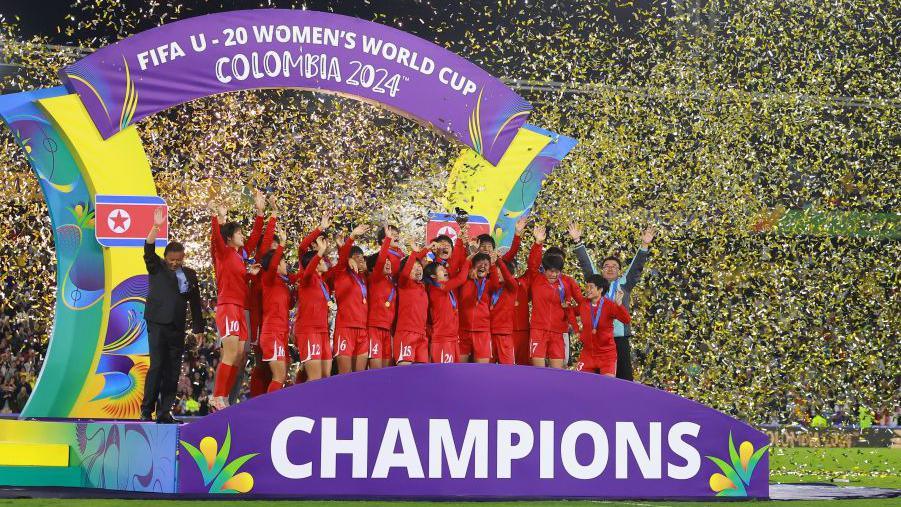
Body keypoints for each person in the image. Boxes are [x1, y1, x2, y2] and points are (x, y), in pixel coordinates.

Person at [569, 223, 656, 381]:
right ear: (601, 270)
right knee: (592, 380)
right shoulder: (596, 283)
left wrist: (644, 245)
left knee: (623, 379)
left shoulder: (624, 285)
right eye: (606, 266)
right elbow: (587, 264)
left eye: (614, 267)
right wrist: (577, 240)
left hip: (619, 339)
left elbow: (636, 268)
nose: (610, 269)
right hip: (597, 341)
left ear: (619, 271)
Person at [141, 207, 204, 423]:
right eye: (171, 259)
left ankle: (165, 411)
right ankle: (145, 410)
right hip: (157, 324)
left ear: (183, 258)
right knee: (157, 366)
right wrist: (156, 226)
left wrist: (199, 330)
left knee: (173, 371)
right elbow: (148, 248)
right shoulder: (156, 267)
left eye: (179, 259)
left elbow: (195, 303)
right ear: (166, 257)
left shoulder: (189, 275)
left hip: (177, 328)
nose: (175, 262)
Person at [209, 201, 262, 411]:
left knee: (239, 354)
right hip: (228, 306)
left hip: (239, 308)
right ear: (229, 237)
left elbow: (238, 279)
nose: (243, 236)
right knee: (230, 353)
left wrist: (250, 274)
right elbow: (215, 238)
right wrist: (218, 217)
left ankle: (224, 398)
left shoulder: (239, 257)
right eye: (240, 233)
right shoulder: (222, 252)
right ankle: (217, 396)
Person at [527, 224, 578, 369]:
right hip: (538, 331)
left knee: (558, 374)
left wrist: (570, 309)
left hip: (558, 332)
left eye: (557, 272)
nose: (553, 275)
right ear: (544, 268)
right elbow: (532, 264)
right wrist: (538, 243)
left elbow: (582, 303)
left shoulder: (568, 282)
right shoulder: (536, 278)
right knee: (538, 373)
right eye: (550, 271)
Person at [258, 224, 295, 392]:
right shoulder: (268, 278)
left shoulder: (283, 283)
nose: (286, 264)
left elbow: (290, 304)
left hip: (282, 332)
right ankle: (271, 414)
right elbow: (272, 266)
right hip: (272, 332)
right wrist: (281, 245)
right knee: (278, 376)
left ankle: (276, 411)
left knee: (283, 375)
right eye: (284, 261)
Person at [570, 274, 631, 376]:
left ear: (600, 290)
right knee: (580, 385)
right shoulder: (584, 304)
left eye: (591, 287)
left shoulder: (610, 305)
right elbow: (570, 312)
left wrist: (619, 305)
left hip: (606, 355)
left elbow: (626, 320)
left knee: (607, 387)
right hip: (588, 354)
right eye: (587, 286)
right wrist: (576, 329)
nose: (587, 289)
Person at [331, 224, 371, 374]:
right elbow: (342, 258)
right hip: (345, 328)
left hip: (362, 330)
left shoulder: (364, 278)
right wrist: (352, 237)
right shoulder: (342, 272)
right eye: (356, 257)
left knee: (360, 376)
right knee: (345, 376)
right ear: (349, 259)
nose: (360, 260)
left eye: (362, 257)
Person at [424, 250, 473, 363]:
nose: (445, 270)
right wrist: (467, 261)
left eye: (444, 268)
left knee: (453, 374)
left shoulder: (447, 289)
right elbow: (460, 279)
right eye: (441, 270)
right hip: (442, 339)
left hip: (453, 338)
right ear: (433, 276)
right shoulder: (436, 288)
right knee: (443, 376)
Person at [295, 235, 333, 381]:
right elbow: (309, 269)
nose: (324, 261)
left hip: (323, 332)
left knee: (325, 377)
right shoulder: (307, 279)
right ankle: (306, 404)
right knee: (314, 379)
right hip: (309, 331)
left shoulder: (324, 284)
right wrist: (319, 252)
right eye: (321, 260)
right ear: (315, 263)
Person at [393, 243, 431, 365]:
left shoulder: (423, 287)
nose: (418, 268)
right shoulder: (404, 284)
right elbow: (404, 273)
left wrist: (429, 249)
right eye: (414, 267)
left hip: (422, 335)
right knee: (404, 375)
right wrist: (416, 253)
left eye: (419, 266)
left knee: (422, 376)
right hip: (406, 333)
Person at [366, 229, 398, 369]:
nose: (387, 263)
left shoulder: (391, 282)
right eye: (384, 261)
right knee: (375, 371)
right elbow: (380, 260)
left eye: (388, 261)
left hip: (387, 329)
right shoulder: (375, 278)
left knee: (386, 371)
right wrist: (387, 241)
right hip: (374, 327)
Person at [458, 252, 496, 363]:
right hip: (463, 330)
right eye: (479, 264)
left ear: (489, 270)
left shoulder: (489, 284)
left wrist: (493, 265)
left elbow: (496, 284)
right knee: (459, 370)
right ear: (473, 267)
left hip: (482, 331)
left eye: (486, 265)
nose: (483, 266)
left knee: (482, 371)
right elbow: (464, 297)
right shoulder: (464, 281)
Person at [487, 254, 520, 365]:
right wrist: (492, 264)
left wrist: (500, 262)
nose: (497, 273)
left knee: (507, 370)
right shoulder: (490, 287)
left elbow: (508, 277)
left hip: (504, 334)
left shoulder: (512, 287)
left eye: (500, 271)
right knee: (487, 369)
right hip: (488, 333)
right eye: (495, 271)